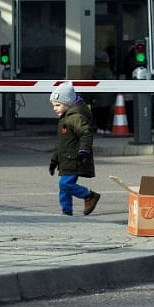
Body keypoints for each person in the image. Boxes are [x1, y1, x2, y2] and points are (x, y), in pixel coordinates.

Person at [48, 82, 101, 216]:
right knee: (63, 187)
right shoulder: (65, 118)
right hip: (66, 159)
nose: (55, 108)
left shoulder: (75, 117)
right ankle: (66, 211)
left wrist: (83, 151)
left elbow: (86, 133)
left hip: (75, 158)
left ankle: (89, 195)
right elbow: (62, 143)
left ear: (68, 103)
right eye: (53, 105)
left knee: (65, 184)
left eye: (58, 105)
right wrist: (54, 160)